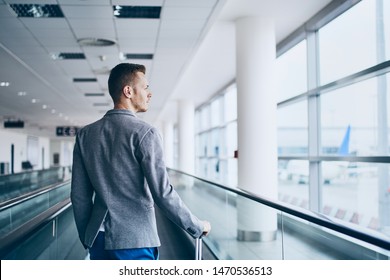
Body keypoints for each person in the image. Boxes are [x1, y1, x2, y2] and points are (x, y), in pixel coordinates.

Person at [71, 63, 211, 260]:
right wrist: (196, 225)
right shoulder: (145, 133)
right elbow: (162, 194)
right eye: (145, 87)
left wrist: (87, 236)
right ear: (128, 91)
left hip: (98, 239)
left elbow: (79, 195)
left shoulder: (85, 135)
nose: (149, 93)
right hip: (135, 240)